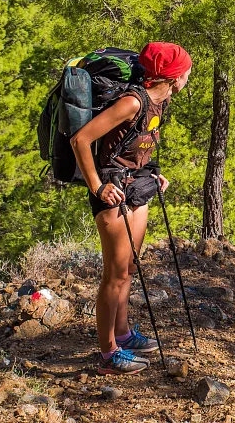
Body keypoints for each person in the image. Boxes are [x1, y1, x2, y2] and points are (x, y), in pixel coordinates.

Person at [70, 42, 192, 375]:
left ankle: (123, 333)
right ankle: (108, 352)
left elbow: (136, 143)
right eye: (186, 70)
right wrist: (96, 186)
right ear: (171, 76)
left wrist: (152, 171)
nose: (188, 75)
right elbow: (80, 140)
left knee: (130, 268)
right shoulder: (133, 102)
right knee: (114, 274)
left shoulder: (161, 101)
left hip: (137, 184)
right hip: (112, 190)